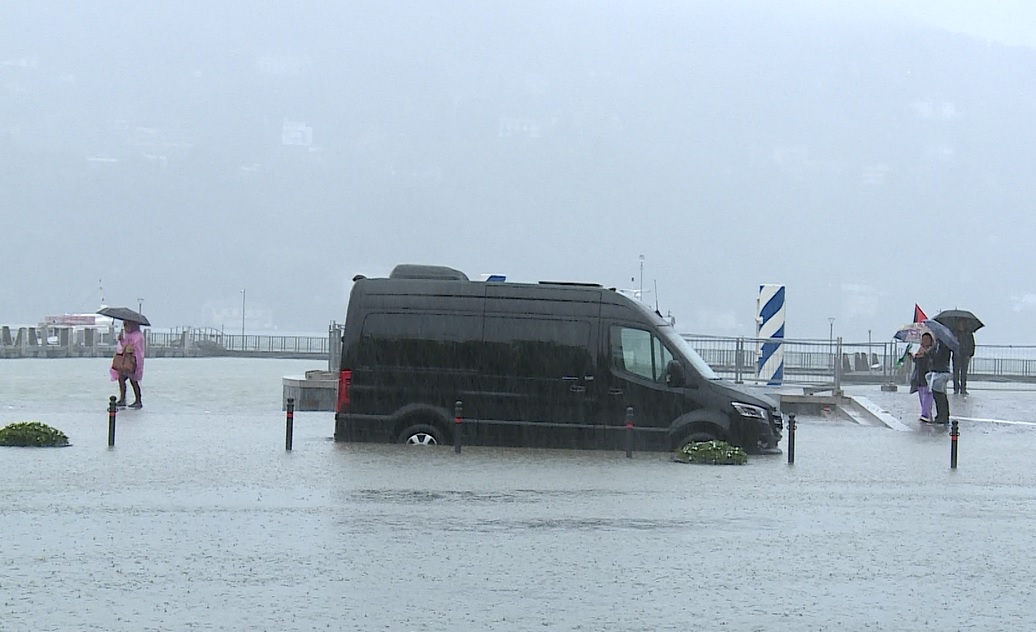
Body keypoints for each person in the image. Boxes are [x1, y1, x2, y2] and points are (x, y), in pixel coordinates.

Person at [110, 321, 145, 409]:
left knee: (133, 380)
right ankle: (122, 399)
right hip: (125, 360)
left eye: (127, 325)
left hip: (133, 360)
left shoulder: (138, 336)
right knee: (121, 378)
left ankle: (138, 400)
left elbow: (137, 349)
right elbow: (123, 346)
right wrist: (121, 340)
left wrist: (130, 347)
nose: (125, 327)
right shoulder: (128, 335)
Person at [926, 335, 952, 424]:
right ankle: (940, 415)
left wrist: (932, 353)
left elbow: (940, 358)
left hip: (942, 371)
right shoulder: (936, 345)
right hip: (936, 371)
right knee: (937, 395)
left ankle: (943, 416)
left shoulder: (944, 346)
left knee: (940, 395)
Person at [910, 332, 934, 422]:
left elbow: (931, 361)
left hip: (928, 375)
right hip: (920, 376)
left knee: (928, 395)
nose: (925, 341)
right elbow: (917, 361)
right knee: (922, 396)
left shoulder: (932, 350)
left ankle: (925, 414)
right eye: (923, 339)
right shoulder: (920, 349)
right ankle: (927, 414)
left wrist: (925, 354)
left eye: (927, 339)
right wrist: (913, 357)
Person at [952, 322, 975, 395]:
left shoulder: (969, 334)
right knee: (955, 373)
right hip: (956, 355)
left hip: (965, 355)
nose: (960, 325)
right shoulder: (954, 334)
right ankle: (956, 388)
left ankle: (963, 389)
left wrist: (970, 354)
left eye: (962, 324)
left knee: (964, 373)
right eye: (959, 324)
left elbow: (972, 344)